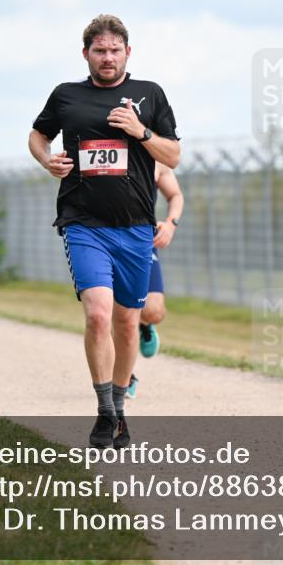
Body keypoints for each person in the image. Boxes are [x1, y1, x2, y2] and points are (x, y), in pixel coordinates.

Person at [28, 15, 180, 449]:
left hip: (135, 228)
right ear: (86, 54)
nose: (108, 57)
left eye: (115, 50)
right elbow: (37, 136)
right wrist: (47, 159)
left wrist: (141, 131)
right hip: (83, 224)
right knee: (98, 314)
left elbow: (173, 154)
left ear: (127, 53)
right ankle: (105, 412)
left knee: (127, 324)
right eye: (100, 50)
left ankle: (120, 406)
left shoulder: (150, 94)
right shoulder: (66, 95)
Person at [127, 161, 185, 399]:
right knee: (113, 309)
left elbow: (175, 195)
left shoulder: (156, 159)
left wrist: (171, 224)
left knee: (153, 311)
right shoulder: (103, 147)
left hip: (143, 238)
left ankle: (144, 323)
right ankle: (125, 376)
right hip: (104, 236)